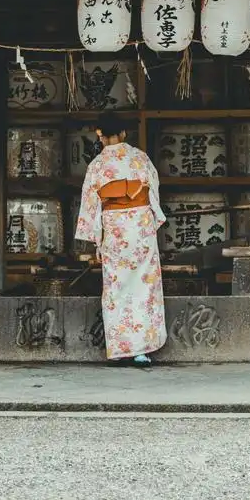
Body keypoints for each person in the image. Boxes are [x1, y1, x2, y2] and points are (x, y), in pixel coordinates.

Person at [75, 114, 167, 366]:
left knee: (116, 288)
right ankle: (142, 350)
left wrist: (95, 237)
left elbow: (91, 205)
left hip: (114, 229)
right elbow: (153, 193)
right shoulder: (140, 158)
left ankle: (120, 349)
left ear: (99, 134)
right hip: (140, 227)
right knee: (144, 287)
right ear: (124, 134)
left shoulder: (97, 166)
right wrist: (149, 219)